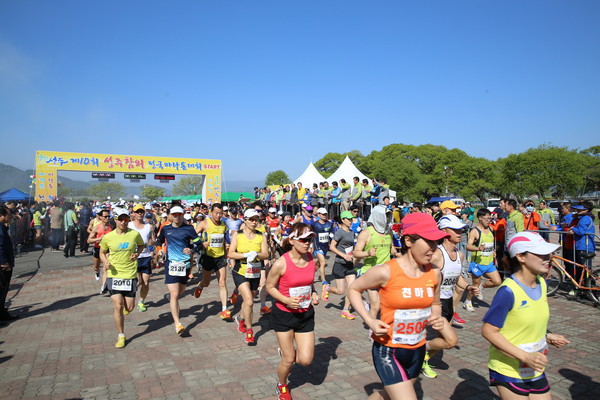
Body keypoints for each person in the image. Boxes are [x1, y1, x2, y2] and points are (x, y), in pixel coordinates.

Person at [348, 212, 456, 400]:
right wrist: (370, 321)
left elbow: (436, 304)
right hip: (389, 349)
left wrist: (436, 318)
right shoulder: (386, 271)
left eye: (436, 243)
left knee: (387, 395)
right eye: (429, 242)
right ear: (408, 241)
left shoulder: (435, 274)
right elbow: (354, 289)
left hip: (417, 348)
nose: (434, 249)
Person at [482, 232, 570, 399]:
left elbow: (527, 320)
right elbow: (488, 331)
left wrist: (546, 335)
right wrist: (524, 356)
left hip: (534, 367)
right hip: (508, 369)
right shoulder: (508, 291)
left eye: (548, 253)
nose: (548, 258)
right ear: (521, 257)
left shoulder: (542, 283)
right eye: (541, 254)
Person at [266, 223, 320, 400]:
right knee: (289, 360)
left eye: (310, 239)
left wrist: (313, 293)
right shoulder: (281, 263)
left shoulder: (312, 259)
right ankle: (282, 384)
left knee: (305, 360)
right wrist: (287, 300)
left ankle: (285, 351)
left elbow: (309, 282)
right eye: (303, 239)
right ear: (292, 240)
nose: (307, 243)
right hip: (284, 315)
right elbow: (270, 287)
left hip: (305, 314)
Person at [421, 214, 479, 378]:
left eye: (460, 229)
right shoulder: (437, 254)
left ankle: (423, 359)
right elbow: (424, 276)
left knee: (442, 339)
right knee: (449, 340)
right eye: (455, 229)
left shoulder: (459, 255)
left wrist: (468, 287)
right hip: (433, 302)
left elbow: (457, 278)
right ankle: (419, 351)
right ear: (445, 231)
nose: (460, 232)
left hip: (447, 303)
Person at [99, 209, 145, 348]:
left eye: (126, 219)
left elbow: (142, 245)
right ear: (115, 220)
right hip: (114, 274)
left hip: (129, 274)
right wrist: (105, 262)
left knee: (129, 307)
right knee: (117, 306)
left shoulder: (134, 234)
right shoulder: (108, 237)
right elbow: (102, 252)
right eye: (121, 219)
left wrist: (136, 254)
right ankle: (121, 335)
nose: (124, 222)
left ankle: (127, 309)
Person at [156, 205, 202, 335]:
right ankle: (178, 323)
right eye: (174, 215)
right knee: (175, 294)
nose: (177, 217)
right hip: (170, 265)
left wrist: (192, 250)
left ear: (182, 215)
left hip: (185, 265)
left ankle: (171, 299)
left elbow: (199, 244)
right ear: (170, 215)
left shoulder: (189, 229)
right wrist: (159, 251)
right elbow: (158, 241)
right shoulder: (166, 229)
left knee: (181, 291)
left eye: (179, 215)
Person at [228, 209, 269, 345]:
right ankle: (250, 331)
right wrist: (245, 255)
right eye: (251, 219)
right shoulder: (237, 235)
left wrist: (256, 255)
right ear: (244, 220)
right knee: (250, 301)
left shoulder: (261, 235)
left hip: (255, 271)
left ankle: (240, 318)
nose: (254, 222)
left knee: (247, 302)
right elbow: (231, 254)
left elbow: (266, 254)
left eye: (256, 219)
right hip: (240, 271)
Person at [353, 205, 395, 320]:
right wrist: (367, 253)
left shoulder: (389, 232)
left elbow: (392, 249)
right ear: (377, 217)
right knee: (375, 306)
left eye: (388, 216)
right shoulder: (366, 233)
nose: (387, 219)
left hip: (386, 273)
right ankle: (372, 331)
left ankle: (383, 327)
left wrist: (398, 254)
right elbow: (356, 253)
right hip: (370, 273)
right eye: (385, 216)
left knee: (388, 305)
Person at [193, 203, 231, 319]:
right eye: (216, 213)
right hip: (208, 257)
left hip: (220, 258)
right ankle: (201, 285)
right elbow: (192, 235)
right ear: (211, 213)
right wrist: (201, 243)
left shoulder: (224, 225)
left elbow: (225, 241)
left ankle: (224, 309)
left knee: (222, 283)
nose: (219, 215)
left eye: (221, 213)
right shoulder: (204, 223)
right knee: (207, 282)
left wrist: (227, 255)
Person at [464, 209, 502, 311]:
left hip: (489, 263)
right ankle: (468, 301)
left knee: (497, 282)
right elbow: (468, 246)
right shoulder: (475, 231)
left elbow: (489, 244)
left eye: (490, 218)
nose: (489, 220)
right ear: (480, 218)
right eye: (487, 218)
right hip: (478, 263)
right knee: (474, 285)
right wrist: (478, 248)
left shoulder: (490, 229)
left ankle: (482, 286)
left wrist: (493, 251)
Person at [323, 211, 357, 319]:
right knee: (340, 291)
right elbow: (332, 247)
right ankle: (327, 288)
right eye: (349, 219)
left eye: (352, 219)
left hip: (350, 264)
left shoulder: (352, 232)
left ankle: (346, 310)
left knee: (352, 289)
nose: (351, 221)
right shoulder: (339, 232)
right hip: (340, 264)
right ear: (343, 220)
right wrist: (343, 255)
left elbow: (352, 247)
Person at [128, 204, 155, 312]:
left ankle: (141, 301)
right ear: (133, 213)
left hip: (146, 256)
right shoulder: (129, 225)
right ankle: (131, 298)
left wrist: (153, 251)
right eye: (137, 212)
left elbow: (152, 240)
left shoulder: (149, 226)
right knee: (136, 281)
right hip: (133, 257)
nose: (140, 214)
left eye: (142, 212)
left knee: (146, 281)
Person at [310, 208, 334, 298]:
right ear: (319, 214)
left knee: (318, 264)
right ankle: (324, 281)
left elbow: (331, 234)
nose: (324, 216)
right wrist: (310, 246)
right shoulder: (314, 225)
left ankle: (310, 273)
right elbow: (310, 234)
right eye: (323, 214)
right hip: (317, 245)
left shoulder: (329, 224)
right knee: (323, 262)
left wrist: (333, 242)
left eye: (325, 214)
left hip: (325, 246)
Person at [0, 206, 18, 321]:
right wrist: (3, 262)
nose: (10, 216)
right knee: (1, 290)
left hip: (6, 262)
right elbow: (0, 247)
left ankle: (2, 313)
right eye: (8, 214)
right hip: (3, 265)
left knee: (4, 290)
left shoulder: (3, 227)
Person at [88, 209, 113, 292]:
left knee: (106, 267)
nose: (107, 218)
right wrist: (98, 238)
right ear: (101, 217)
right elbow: (89, 240)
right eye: (105, 216)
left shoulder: (111, 227)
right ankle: (97, 271)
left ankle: (104, 285)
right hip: (98, 248)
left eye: (109, 216)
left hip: (107, 250)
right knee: (96, 267)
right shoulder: (97, 227)